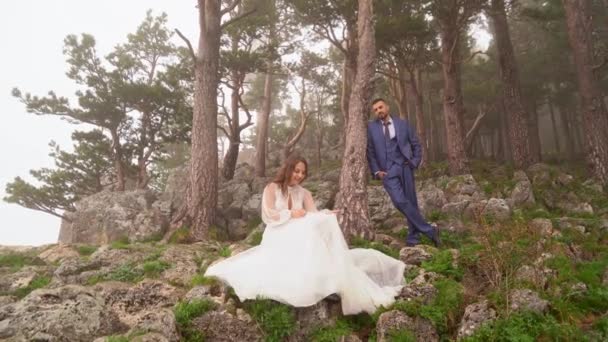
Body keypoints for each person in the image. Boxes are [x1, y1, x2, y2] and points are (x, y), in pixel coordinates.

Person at [205, 155, 405, 315]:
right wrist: (290, 213)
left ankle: (322, 268)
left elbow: (312, 215)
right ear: (288, 169)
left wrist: (326, 215)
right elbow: (268, 215)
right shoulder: (272, 188)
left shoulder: (305, 193)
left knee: (317, 222)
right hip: (278, 233)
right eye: (296, 170)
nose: (300, 175)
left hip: (299, 234)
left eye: (303, 172)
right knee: (302, 227)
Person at [367, 98, 441, 247]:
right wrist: (376, 171)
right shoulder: (371, 128)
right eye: (375, 110)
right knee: (399, 201)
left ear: (387, 107)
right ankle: (429, 230)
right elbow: (370, 151)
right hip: (387, 171)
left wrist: (414, 161)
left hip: (405, 166)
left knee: (411, 202)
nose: (378, 111)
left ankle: (413, 238)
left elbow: (416, 144)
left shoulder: (402, 123)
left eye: (380, 107)